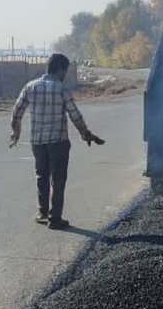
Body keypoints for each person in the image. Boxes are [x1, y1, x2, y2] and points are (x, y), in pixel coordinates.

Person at [9, 53, 104, 230]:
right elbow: (75, 115)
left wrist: (16, 134)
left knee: (41, 176)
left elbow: (17, 112)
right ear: (60, 69)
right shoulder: (61, 89)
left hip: (37, 142)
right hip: (58, 142)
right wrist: (86, 134)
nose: (65, 74)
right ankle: (55, 219)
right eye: (65, 71)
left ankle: (43, 213)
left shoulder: (30, 87)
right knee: (58, 180)